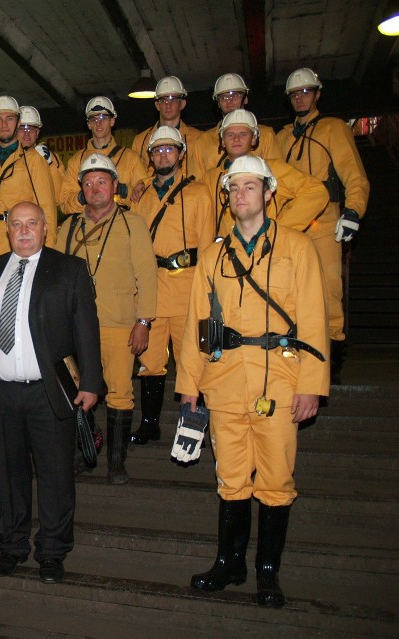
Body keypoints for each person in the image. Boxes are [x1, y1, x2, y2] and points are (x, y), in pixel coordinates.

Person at [176, 156, 329, 607]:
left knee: (277, 480)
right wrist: (189, 383)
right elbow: (195, 325)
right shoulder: (212, 255)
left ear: (268, 192)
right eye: (235, 187)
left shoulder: (297, 248)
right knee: (231, 478)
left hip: (280, 381)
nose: (241, 194)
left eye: (250, 186)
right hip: (224, 382)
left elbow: (315, 322)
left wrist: (311, 385)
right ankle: (229, 563)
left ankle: (267, 571)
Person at [0, 201, 103, 584]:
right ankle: (12, 547)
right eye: (16, 224)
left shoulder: (68, 269)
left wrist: (90, 382)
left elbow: (87, 328)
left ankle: (52, 552)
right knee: (9, 475)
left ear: (45, 227)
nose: (23, 231)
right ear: (6, 229)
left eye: (31, 224)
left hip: (49, 393)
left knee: (55, 477)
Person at [56, 154, 157, 483]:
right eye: (88, 182)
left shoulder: (133, 223)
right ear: (81, 190)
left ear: (115, 186)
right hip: (74, 326)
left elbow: (147, 275)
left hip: (118, 322)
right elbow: (55, 274)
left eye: (102, 181)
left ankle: (116, 462)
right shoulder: (69, 226)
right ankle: (85, 450)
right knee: (74, 390)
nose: (94, 188)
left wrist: (144, 321)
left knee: (119, 392)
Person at [276, 68, 370, 382]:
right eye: (294, 93)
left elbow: (353, 173)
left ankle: (332, 361)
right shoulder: (282, 137)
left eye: (305, 91)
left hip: (325, 220)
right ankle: (291, 355)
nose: (300, 97)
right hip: (290, 223)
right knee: (286, 292)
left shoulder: (333, 129)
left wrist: (353, 211)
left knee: (328, 290)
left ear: (317, 94)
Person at [130, 126, 214, 447]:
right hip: (152, 290)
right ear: (150, 156)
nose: (163, 154)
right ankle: (150, 424)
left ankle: (193, 423)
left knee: (191, 359)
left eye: (169, 149)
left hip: (187, 288)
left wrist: (208, 295)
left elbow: (207, 248)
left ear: (181, 154)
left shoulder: (199, 193)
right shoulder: (143, 196)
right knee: (150, 361)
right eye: (157, 150)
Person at [201, 110, 328, 239]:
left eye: (243, 134)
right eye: (230, 134)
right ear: (222, 141)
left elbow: (316, 191)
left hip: (269, 251)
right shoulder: (210, 178)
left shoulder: (274, 169)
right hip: (228, 252)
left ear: (254, 139)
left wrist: (278, 230)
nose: (236, 139)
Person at [0, 96, 57, 255]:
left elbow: (47, 209)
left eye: (9, 119)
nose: (4, 125)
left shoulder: (33, 160)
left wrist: (48, 251)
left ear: (18, 122)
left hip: (24, 236)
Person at [60, 96, 147, 213]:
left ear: (112, 121)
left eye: (103, 118)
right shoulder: (76, 161)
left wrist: (123, 190)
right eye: (93, 119)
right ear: (88, 124)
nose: (98, 123)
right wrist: (84, 196)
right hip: (89, 225)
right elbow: (65, 204)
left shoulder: (130, 157)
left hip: (122, 224)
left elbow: (145, 199)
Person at [191, 73, 282, 178]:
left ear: (245, 99)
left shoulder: (266, 135)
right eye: (224, 97)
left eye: (235, 95)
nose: (229, 101)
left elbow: (277, 176)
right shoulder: (203, 141)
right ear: (218, 103)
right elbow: (196, 185)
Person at [131, 76, 202, 179]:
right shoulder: (140, 141)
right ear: (157, 105)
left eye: (173, 99)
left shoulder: (199, 139)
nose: (168, 105)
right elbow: (136, 180)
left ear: (182, 104)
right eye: (163, 100)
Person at [17, 105, 65, 199]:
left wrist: (50, 165)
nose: (26, 133)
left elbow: (59, 197)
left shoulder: (52, 158)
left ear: (37, 132)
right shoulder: (6, 157)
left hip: (42, 211)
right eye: (22, 129)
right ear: (15, 132)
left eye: (31, 129)